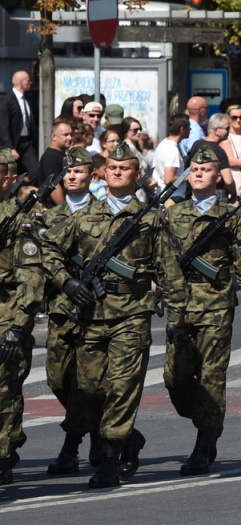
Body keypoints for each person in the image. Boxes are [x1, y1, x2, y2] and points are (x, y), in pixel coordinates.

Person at [40, 141, 188, 488]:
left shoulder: (150, 219)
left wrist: (178, 321)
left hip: (131, 316)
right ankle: (129, 438)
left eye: (125, 167)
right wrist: (67, 283)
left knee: (122, 387)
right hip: (89, 315)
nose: (117, 171)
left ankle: (109, 459)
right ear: (103, 173)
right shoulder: (84, 216)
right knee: (89, 389)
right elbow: (48, 249)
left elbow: (169, 272)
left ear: (137, 175)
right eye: (112, 167)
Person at [163, 146, 241, 474]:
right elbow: (161, 262)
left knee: (211, 377)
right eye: (193, 168)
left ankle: (204, 441)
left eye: (204, 169)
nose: (197, 173)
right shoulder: (174, 215)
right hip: (180, 305)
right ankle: (210, 418)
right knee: (174, 377)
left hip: (216, 306)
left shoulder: (229, 215)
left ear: (217, 176)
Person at [39, 147, 104, 475]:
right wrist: (64, 283)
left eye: (79, 171)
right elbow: (42, 259)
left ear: (92, 175)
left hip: (95, 308)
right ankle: (96, 429)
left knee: (88, 381)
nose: (72, 176)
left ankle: (71, 447)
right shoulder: (52, 216)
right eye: (68, 172)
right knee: (57, 378)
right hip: (62, 306)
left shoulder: (106, 213)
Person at [0, 146, 45, 486]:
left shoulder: (21, 219)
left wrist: (17, 327)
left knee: (4, 391)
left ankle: (2, 456)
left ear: (10, 179)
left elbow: (31, 277)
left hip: (6, 316)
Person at [188, 114, 237, 203]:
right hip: (216, 194)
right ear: (216, 130)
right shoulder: (218, 151)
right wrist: (233, 194)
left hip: (196, 193)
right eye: (227, 128)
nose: (229, 131)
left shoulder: (196, 144)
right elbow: (228, 180)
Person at [0, 71, 39, 183]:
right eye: (28, 80)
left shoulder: (28, 99)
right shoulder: (6, 100)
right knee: (10, 176)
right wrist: (10, 148)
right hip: (12, 144)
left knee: (35, 172)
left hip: (27, 143)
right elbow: (3, 127)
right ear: (21, 82)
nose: (30, 82)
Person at [37, 118, 73, 206]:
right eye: (65, 135)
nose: (70, 138)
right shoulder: (51, 157)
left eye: (71, 134)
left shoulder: (60, 155)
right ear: (54, 137)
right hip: (53, 209)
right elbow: (54, 186)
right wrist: (64, 210)